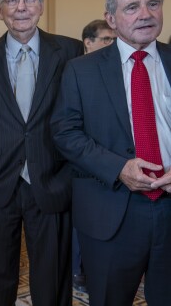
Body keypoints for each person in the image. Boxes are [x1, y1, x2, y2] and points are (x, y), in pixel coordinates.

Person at [52, 0, 171, 306]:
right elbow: (65, 133)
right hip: (113, 211)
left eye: (153, 4)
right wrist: (119, 168)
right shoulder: (81, 70)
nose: (145, 14)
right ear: (111, 19)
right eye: (132, 7)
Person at [0, 0, 83, 306]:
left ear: (41, 6)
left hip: (52, 180)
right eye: (12, 0)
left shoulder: (71, 51)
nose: (22, 7)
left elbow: (81, 116)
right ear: (0, 10)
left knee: (53, 277)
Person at [71, 18, 117, 294]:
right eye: (106, 39)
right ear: (88, 42)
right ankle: (77, 270)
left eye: (113, 39)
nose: (111, 44)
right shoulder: (75, 71)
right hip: (80, 165)